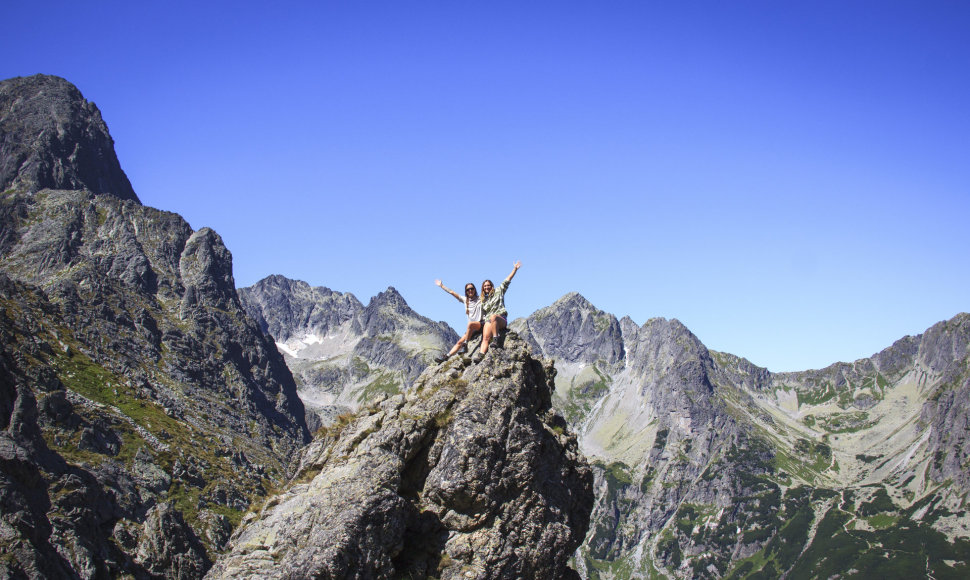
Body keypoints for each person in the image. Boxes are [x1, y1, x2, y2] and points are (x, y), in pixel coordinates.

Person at [473, 261, 521, 363]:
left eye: (488, 285)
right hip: (489, 320)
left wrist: (515, 269)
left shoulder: (499, 291)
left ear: (492, 286)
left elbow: (507, 280)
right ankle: (481, 355)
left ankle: (496, 338)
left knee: (493, 316)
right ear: (483, 288)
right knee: (485, 337)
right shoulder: (483, 301)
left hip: (500, 319)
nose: (487, 287)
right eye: (485, 286)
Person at [433, 279, 482, 363]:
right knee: (459, 342)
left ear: (475, 289)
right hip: (471, 328)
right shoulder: (465, 300)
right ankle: (446, 357)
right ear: (466, 291)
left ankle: (465, 345)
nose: (470, 290)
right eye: (468, 289)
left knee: (470, 324)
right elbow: (452, 292)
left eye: (472, 288)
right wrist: (442, 286)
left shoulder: (480, 299)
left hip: (479, 324)